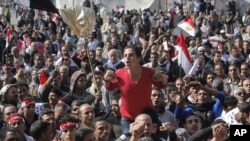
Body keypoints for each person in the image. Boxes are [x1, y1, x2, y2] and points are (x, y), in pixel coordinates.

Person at [104, 46, 168, 134]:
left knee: (163, 135)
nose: (127, 58)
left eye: (131, 55)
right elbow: (109, 87)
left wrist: (163, 79)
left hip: (147, 117)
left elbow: (163, 85)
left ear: (138, 58)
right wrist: (106, 79)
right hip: (128, 119)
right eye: (125, 55)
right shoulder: (119, 73)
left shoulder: (149, 72)